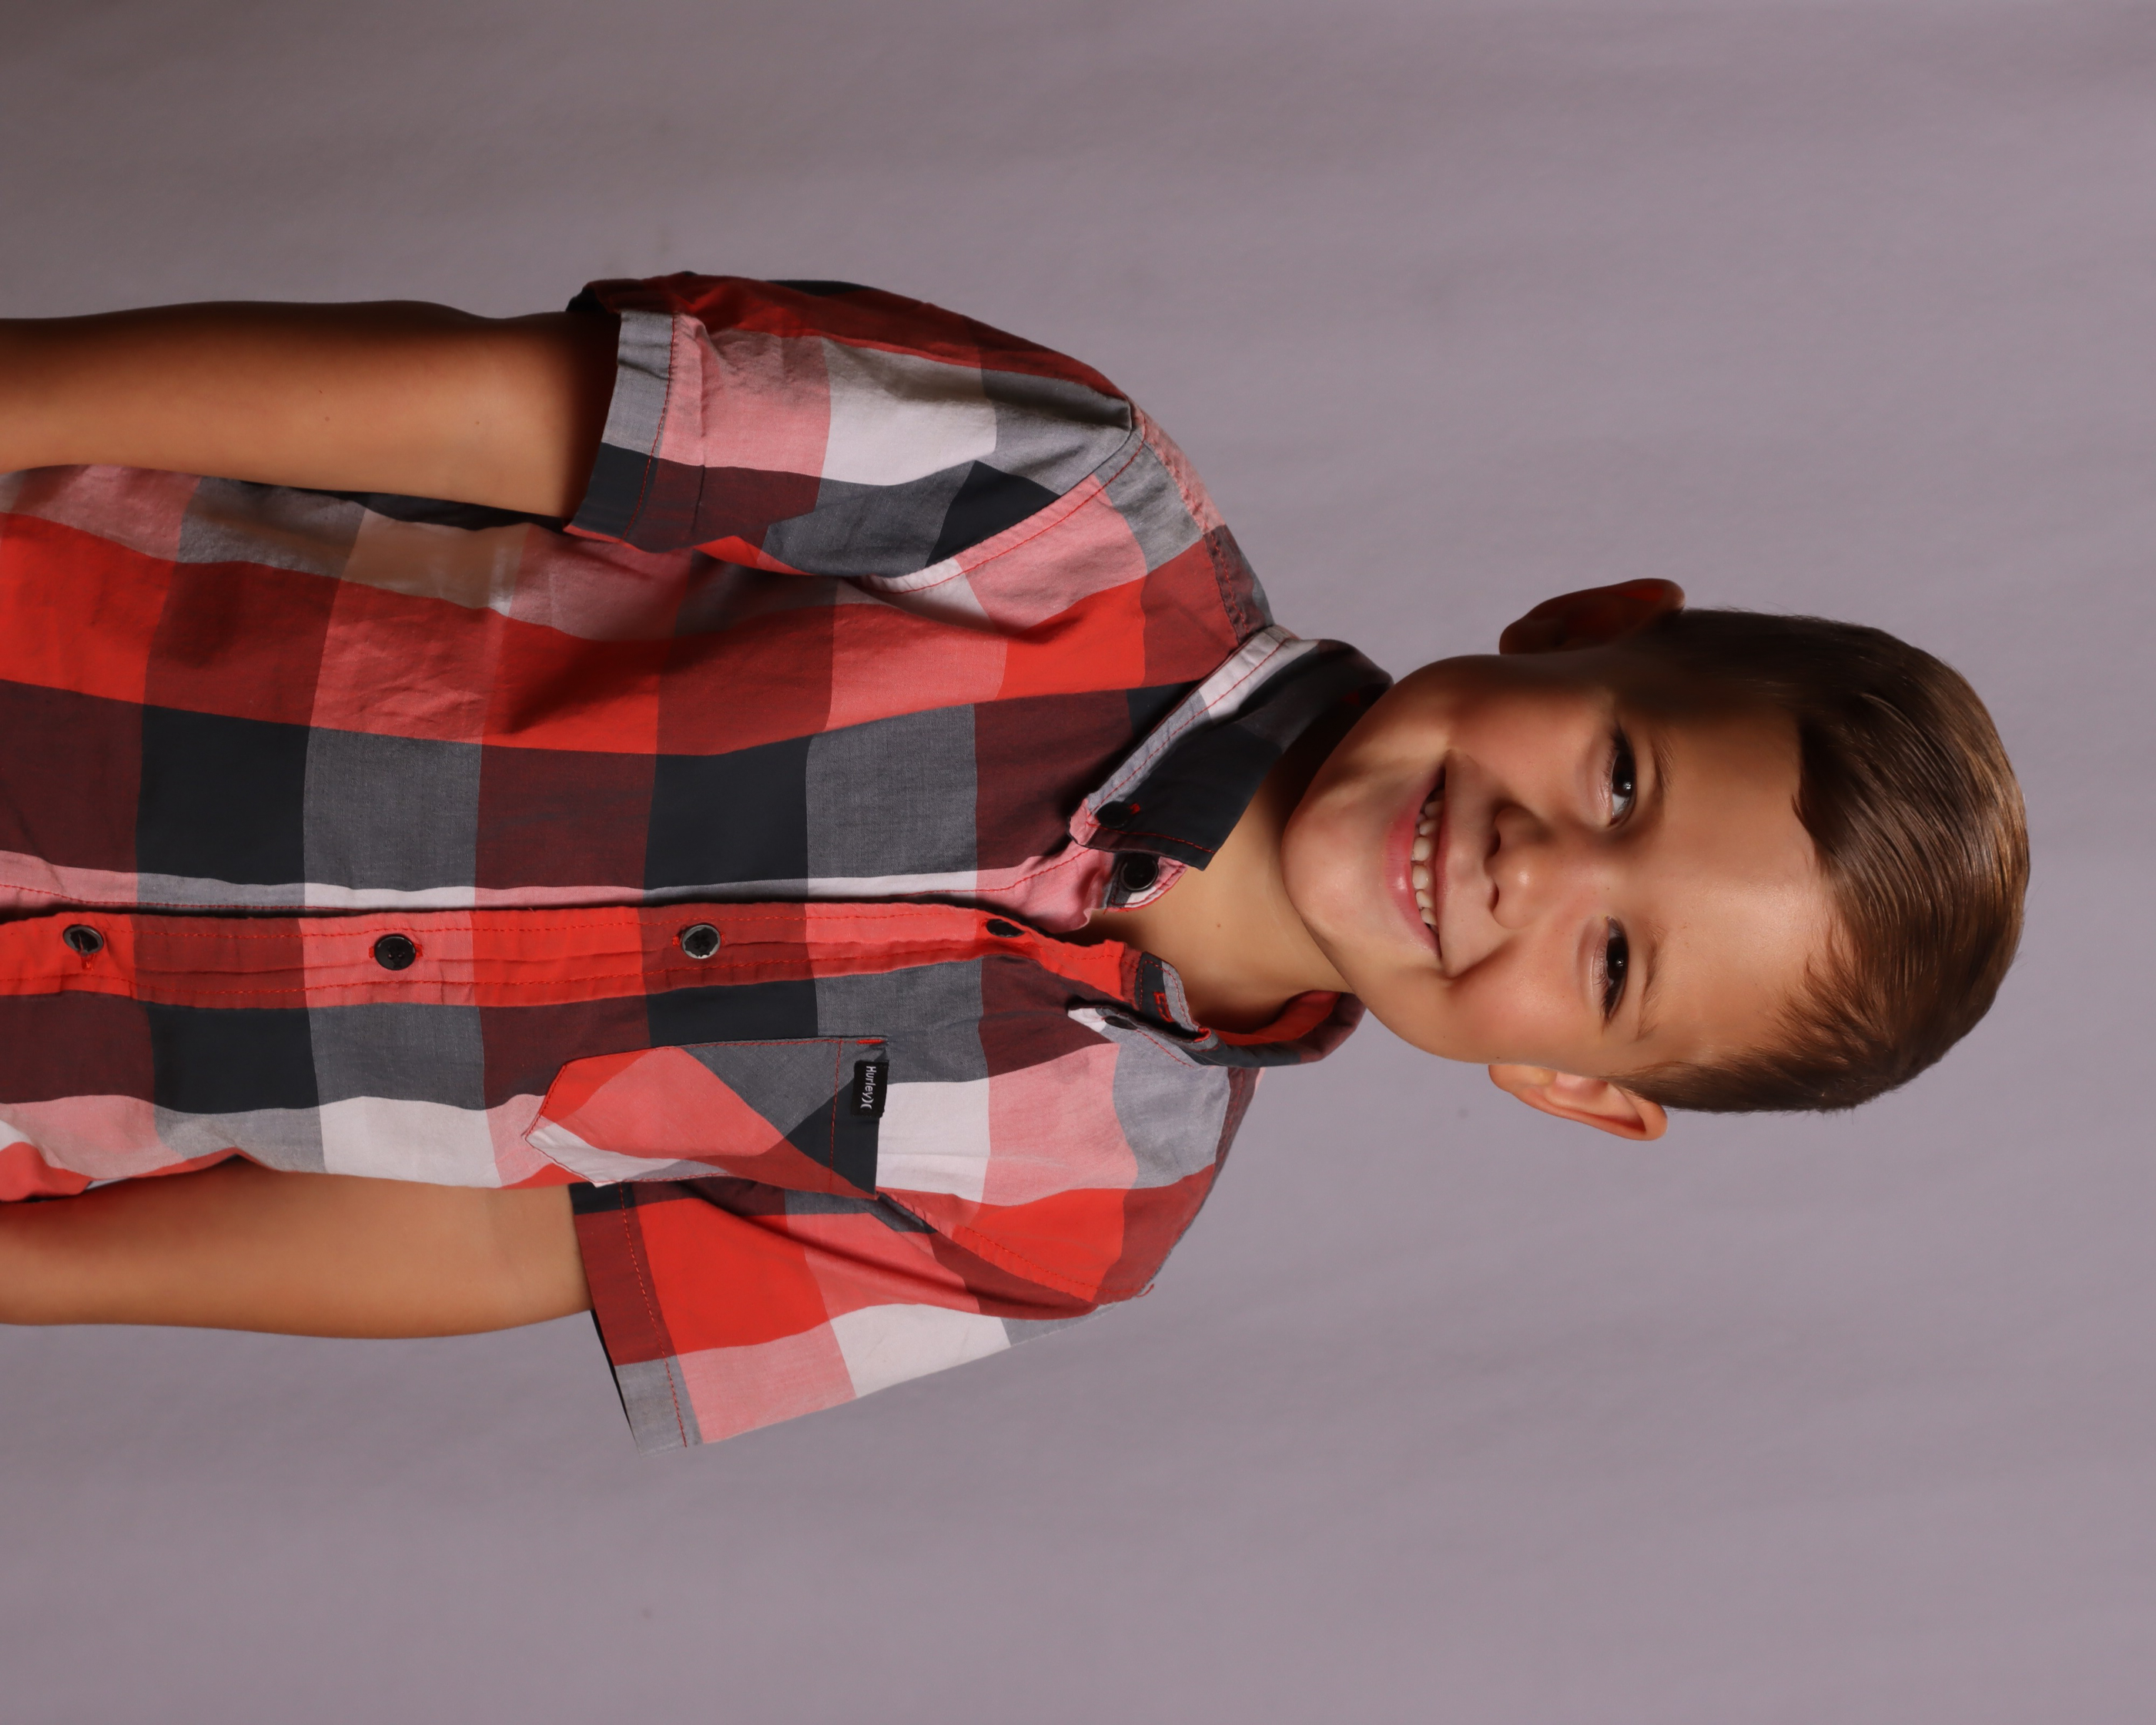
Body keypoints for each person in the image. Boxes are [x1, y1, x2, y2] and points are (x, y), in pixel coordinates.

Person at [0, 276, 2027, 1449]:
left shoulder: (1075, 1223)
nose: (1532, 868)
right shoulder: (1067, 504)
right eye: (1619, 778)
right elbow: (474, 411)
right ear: (1586, 626)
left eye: (1614, 964)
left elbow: (496, 1245)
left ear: (1576, 1087)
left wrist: (33, 1278)